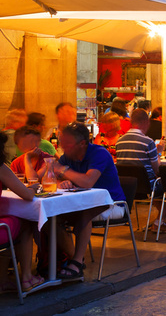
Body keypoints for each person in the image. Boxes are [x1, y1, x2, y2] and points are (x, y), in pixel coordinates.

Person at [52, 123, 126, 281]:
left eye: (67, 144)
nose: (63, 147)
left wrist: (64, 171)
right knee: (52, 217)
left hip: (113, 204)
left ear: (82, 144)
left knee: (84, 212)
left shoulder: (99, 153)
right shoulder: (69, 156)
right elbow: (51, 177)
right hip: (83, 204)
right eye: (62, 143)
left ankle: (77, 263)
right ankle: (70, 257)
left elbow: (87, 182)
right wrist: (61, 182)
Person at [0, 136, 44, 292]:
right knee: (25, 222)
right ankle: (26, 278)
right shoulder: (1, 168)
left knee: (11, 221)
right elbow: (27, 195)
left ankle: (3, 280)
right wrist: (34, 187)